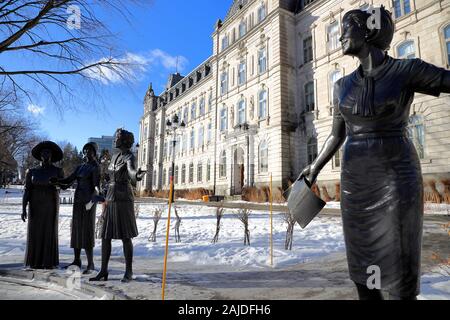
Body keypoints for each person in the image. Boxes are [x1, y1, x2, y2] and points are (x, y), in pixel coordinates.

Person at [300, 6, 450, 300]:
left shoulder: (406, 71)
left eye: (345, 29)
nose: (340, 37)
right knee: (362, 271)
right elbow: (336, 134)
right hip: (355, 185)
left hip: (396, 178)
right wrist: (314, 167)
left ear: (367, 31)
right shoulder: (341, 85)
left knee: (398, 272)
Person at [90, 129, 145, 283]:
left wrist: (137, 175)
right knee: (105, 236)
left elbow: (131, 171)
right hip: (110, 197)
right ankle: (103, 270)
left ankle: (128, 271)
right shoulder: (114, 156)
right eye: (115, 137)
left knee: (125, 236)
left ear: (125, 141)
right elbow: (110, 175)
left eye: (118, 138)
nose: (115, 140)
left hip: (123, 198)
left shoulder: (129, 156)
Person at [51, 142, 100, 274]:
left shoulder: (95, 167)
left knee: (87, 231)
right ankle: (76, 260)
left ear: (94, 153)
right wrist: (57, 181)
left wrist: (93, 199)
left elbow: (96, 186)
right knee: (77, 229)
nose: (87, 152)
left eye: (90, 150)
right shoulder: (80, 167)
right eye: (85, 150)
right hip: (78, 201)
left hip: (88, 203)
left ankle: (91, 264)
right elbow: (69, 180)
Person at [22, 141, 64, 269]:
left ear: (52, 155)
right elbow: (27, 190)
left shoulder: (57, 171)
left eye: (48, 152)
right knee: (35, 231)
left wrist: (58, 184)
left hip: (50, 205)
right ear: (40, 155)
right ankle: (34, 261)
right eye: (43, 152)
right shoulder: (32, 171)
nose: (46, 154)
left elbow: (63, 186)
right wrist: (23, 208)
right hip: (35, 205)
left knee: (48, 231)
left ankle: (48, 261)